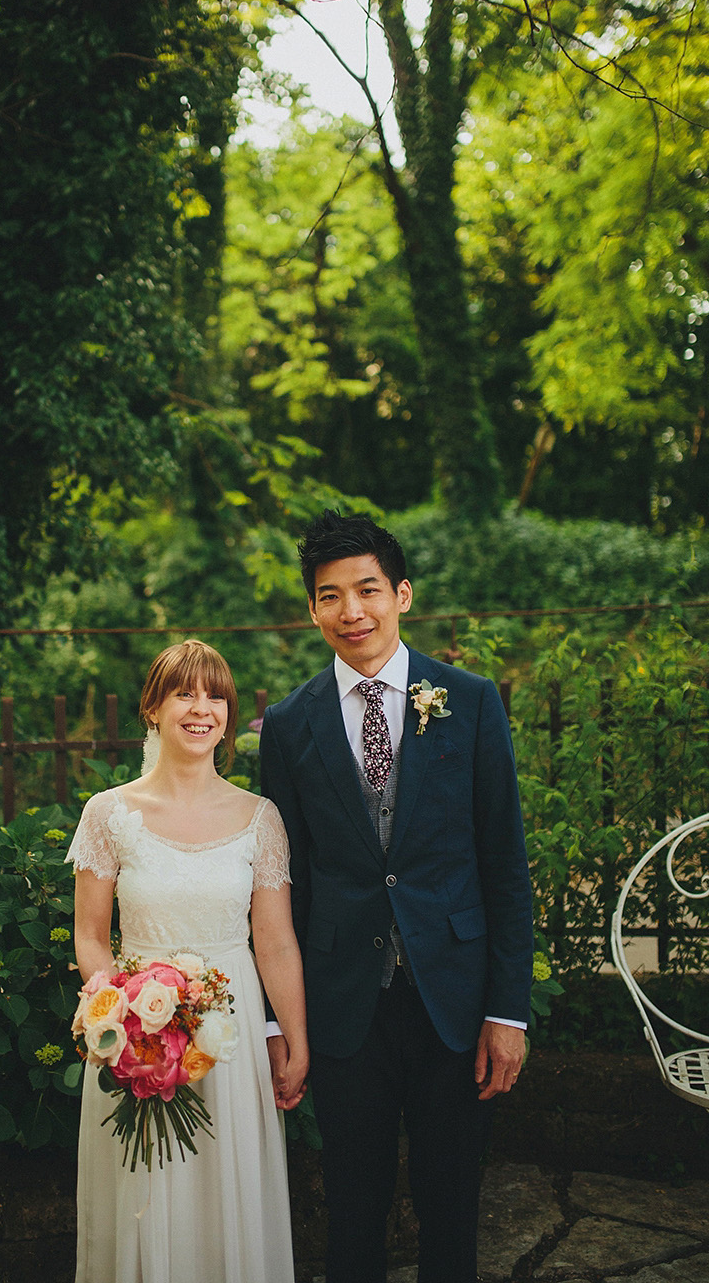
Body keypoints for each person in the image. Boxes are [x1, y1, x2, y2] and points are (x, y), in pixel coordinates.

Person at [259, 510, 533, 1283]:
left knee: (451, 1208)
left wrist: (507, 1012)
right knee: (352, 1208)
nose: (352, 611)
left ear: (402, 593)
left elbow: (504, 866)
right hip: (346, 1006)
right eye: (330, 595)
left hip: (455, 998)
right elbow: (288, 885)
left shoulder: (471, 702)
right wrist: (283, 1021)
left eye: (368, 589)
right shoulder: (287, 725)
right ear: (312, 609)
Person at [67, 638, 308, 1283]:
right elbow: (91, 933)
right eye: (184, 693)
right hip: (135, 1040)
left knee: (227, 1187)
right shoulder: (110, 814)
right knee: (144, 1194)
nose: (202, 709)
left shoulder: (260, 819)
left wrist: (293, 1037)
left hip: (231, 1038)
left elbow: (276, 940)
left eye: (216, 696)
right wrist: (117, 1010)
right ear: (153, 707)